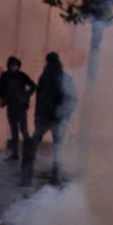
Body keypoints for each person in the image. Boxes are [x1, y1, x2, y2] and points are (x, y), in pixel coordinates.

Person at [30, 52, 76, 182]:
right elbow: (40, 97)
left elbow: (71, 99)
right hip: (50, 118)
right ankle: (55, 175)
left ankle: (33, 172)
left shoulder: (56, 78)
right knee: (57, 146)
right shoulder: (49, 77)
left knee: (49, 145)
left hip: (52, 118)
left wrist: (63, 114)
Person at [0, 56, 35, 161]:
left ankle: (28, 153)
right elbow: (0, 89)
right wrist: (4, 98)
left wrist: (26, 95)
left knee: (24, 130)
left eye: (16, 65)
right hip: (11, 106)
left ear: (18, 65)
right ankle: (15, 154)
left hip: (21, 107)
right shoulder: (5, 76)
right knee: (14, 131)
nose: (14, 67)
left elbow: (33, 86)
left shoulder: (22, 76)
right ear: (8, 65)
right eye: (12, 65)